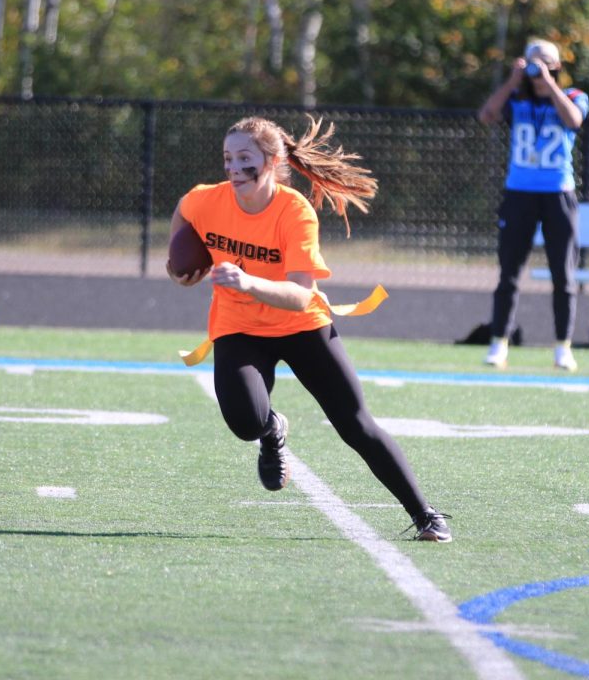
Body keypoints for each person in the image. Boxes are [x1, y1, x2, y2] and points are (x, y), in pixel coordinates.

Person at [168, 115, 451, 542]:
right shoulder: (205, 200)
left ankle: (425, 514)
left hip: (300, 324)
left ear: (272, 160)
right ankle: (272, 430)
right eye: (228, 158)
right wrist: (180, 272)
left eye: (245, 158)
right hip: (240, 325)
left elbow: (300, 294)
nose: (233, 168)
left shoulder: (293, 210)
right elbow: (182, 220)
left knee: (355, 424)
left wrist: (247, 281)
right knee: (246, 423)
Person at [477, 38, 589, 372]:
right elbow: (486, 115)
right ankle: (499, 342)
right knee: (509, 273)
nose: (539, 69)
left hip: (558, 194)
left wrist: (550, 84)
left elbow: (574, 121)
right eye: (534, 63)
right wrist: (514, 80)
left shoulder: (572, 96)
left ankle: (562, 347)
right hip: (519, 193)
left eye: (546, 63)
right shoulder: (516, 98)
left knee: (563, 275)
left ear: (557, 66)